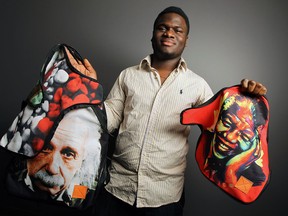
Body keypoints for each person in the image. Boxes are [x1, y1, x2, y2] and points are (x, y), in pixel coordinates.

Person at [67, 6, 268, 216]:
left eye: (177, 30)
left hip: (164, 199)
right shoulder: (128, 75)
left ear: (186, 39)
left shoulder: (197, 86)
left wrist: (246, 97)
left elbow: (223, 127)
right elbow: (106, 120)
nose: (169, 33)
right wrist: (87, 89)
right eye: (162, 27)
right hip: (116, 190)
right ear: (152, 35)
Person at [7, 108, 102, 208]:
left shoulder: (82, 199)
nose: (52, 169)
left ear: (83, 159)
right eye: (45, 147)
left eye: (68, 154)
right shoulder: (13, 179)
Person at [204, 94, 268, 187]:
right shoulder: (205, 148)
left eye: (245, 136)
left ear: (255, 142)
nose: (230, 137)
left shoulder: (256, 179)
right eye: (227, 122)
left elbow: (245, 192)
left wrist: (231, 171)